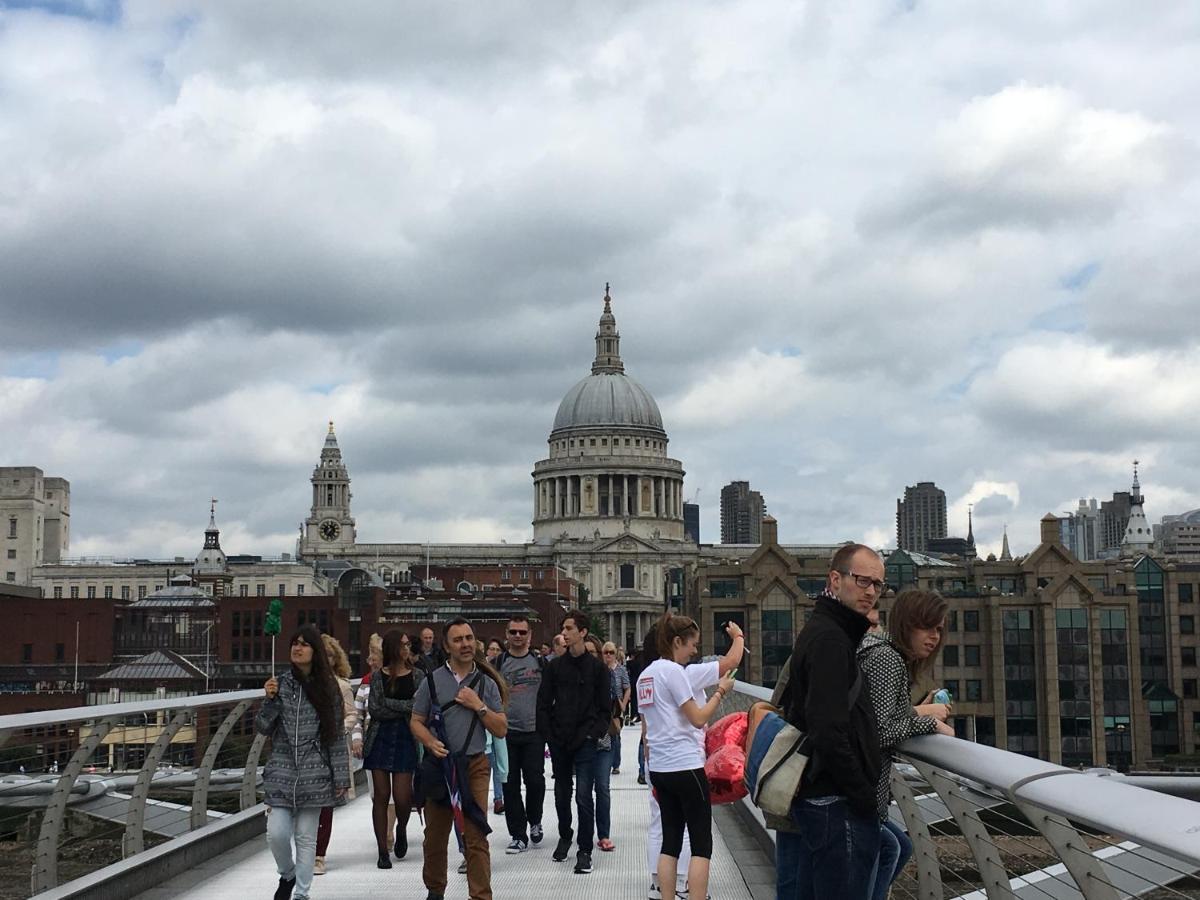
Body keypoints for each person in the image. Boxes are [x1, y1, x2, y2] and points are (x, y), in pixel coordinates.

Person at [775, 543, 885, 900]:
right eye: (862, 580)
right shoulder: (831, 641)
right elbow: (828, 728)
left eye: (878, 585)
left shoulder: (825, 630)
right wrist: (863, 796)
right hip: (836, 803)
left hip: (823, 800)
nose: (870, 591)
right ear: (835, 580)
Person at [858, 590, 954, 900]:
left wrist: (913, 712)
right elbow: (877, 730)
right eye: (927, 627)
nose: (934, 637)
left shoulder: (881, 653)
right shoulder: (888, 659)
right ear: (906, 625)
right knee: (888, 851)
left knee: (895, 847)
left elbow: (877, 716)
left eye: (938, 629)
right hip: (860, 791)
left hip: (860, 791)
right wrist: (929, 722)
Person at [641, 620, 743, 900]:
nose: (694, 651)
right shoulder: (673, 672)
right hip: (685, 765)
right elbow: (698, 718)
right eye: (692, 644)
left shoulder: (644, 676)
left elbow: (648, 726)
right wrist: (721, 691)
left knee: (670, 841)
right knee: (701, 844)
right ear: (676, 642)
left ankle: (666, 896)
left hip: (660, 767)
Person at [410, 618, 508, 900]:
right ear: (446, 646)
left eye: (468, 638)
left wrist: (478, 706)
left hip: (474, 764)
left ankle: (480, 895)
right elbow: (416, 721)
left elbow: (500, 728)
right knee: (435, 837)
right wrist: (429, 741)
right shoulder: (432, 680)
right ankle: (435, 890)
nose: (465, 644)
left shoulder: (486, 682)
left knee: (476, 837)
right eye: (458, 639)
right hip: (441, 767)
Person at [256, 625, 350, 900]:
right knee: (277, 834)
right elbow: (262, 727)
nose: (297, 648)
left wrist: (341, 777)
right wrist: (270, 700)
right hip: (281, 772)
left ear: (315, 651)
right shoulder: (281, 683)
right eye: (294, 643)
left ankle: (302, 894)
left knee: (306, 838)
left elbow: (335, 735)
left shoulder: (329, 689)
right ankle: (287, 873)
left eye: (304, 644)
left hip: (315, 773)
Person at [536, 610, 611, 875]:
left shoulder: (599, 670)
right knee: (561, 794)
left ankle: (584, 850)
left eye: (569, 628)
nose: (564, 633)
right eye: (563, 628)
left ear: (582, 632)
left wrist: (592, 734)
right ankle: (565, 834)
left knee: (583, 796)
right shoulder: (554, 667)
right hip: (559, 739)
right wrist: (548, 735)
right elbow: (543, 703)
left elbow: (605, 710)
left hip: (586, 740)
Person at [362, 629, 420, 868]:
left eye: (408, 644)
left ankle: (403, 827)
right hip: (380, 739)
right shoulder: (377, 677)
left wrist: (390, 704)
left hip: (406, 737)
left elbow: (417, 705)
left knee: (403, 797)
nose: (407, 649)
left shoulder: (417, 676)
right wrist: (402, 707)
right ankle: (382, 851)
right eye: (403, 645)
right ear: (394, 648)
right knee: (381, 796)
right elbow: (375, 709)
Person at [498, 613, 547, 853]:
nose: (518, 636)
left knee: (535, 781)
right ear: (507, 635)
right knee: (510, 784)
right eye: (513, 632)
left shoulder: (540, 663)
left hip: (534, 731)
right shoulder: (498, 664)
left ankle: (535, 820)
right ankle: (518, 834)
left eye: (522, 632)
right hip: (506, 732)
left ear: (530, 635)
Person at [314, 634, 357, 876]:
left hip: (331, 748)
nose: (326, 659)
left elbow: (351, 714)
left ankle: (319, 854)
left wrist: (341, 730)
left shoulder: (342, 686)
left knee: (325, 805)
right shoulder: (303, 685)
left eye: (330, 655)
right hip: (308, 750)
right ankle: (308, 849)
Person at [584, 635, 615, 852]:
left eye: (593, 653)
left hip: (602, 741)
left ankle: (603, 834)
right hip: (581, 743)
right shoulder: (572, 676)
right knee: (583, 792)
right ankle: (585, 834)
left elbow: (611, 705)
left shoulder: (607, 676)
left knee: (602, 788)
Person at [604, 641, 631, 775]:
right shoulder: (600, 669)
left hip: (616, 707)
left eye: (611, 652)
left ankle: (615, 764)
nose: (608, 655)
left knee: (615, 735)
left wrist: (624, 704)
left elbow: (627, 688)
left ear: (615, 654)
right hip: (602, 705)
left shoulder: (621, 670)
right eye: (606, 652)